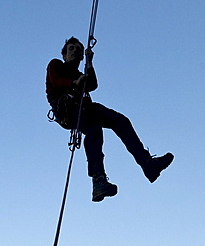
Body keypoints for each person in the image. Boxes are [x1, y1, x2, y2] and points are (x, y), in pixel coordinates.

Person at [46, 37, 173, 202]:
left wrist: (90, 62)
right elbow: (56, 81)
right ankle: (98, 180)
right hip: (68, 109)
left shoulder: (79, 74)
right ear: (64, 54)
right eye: (71, 48)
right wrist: (74, 82)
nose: (75, 51)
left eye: (78, 49)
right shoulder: (56, 65)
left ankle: (148, 164)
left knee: (120, 121)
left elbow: (92, 84)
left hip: (84, 107)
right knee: (93, 130)